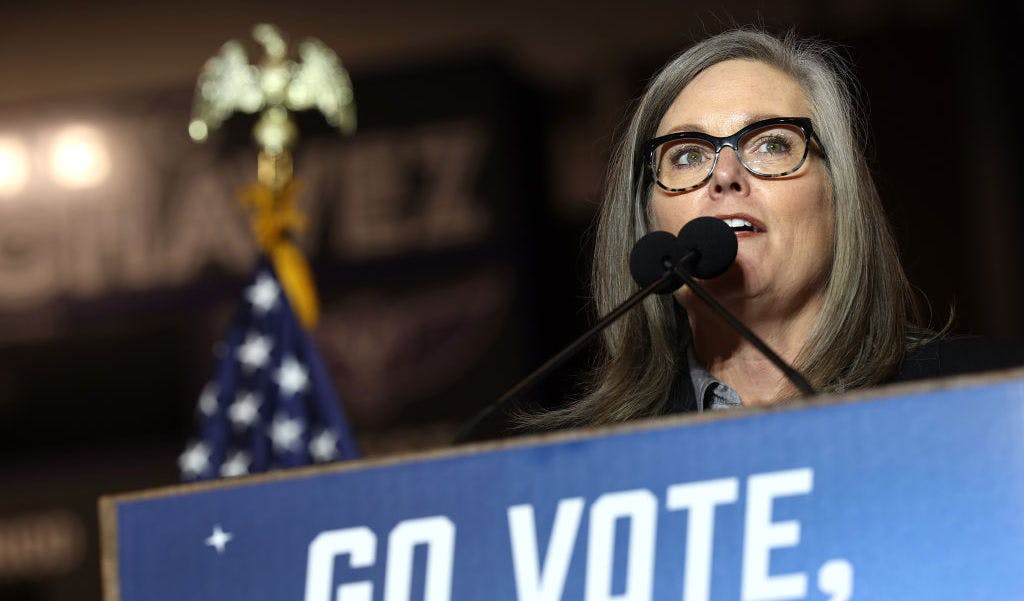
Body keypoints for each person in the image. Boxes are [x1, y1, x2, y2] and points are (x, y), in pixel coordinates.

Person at [519, 28, 1024, 432]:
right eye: (688, 155)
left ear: (840, 197)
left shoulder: (994, 399)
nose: (724, 175)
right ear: (647, 219)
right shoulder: (585, 464)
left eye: (773, 144)